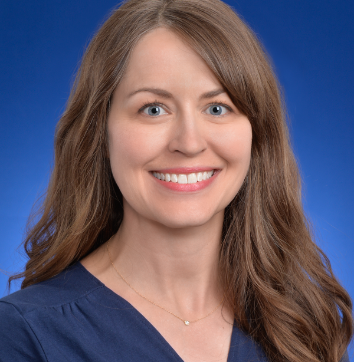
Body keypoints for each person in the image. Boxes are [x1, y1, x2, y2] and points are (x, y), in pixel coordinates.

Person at [0, 0, 352, 361]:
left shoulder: (299, 324)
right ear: (100, 133)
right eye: (153, 109)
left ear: (256, 134)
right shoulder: (25, 335)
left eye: (217, 108)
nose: (189, 143)